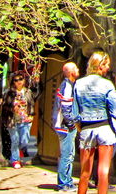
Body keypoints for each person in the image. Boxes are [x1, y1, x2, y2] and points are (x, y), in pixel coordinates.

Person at [73, 51, 116, 194]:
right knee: (103, 172)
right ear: (100, 65)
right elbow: (115, 111)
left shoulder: (78, 84)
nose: (107, 69)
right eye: (106, 65)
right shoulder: (108, 85)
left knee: (84, 172)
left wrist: (80, 127)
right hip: (104, 127)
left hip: (86, 128)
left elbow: (75, 112)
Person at [52, 62, 79, 191]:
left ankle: (67, 181)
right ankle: (64, 183)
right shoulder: (67, 86)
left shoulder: (68, 85)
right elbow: (66, 108)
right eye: (76, 68)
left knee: (68, 154)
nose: (78, 70)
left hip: (64, 126)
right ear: (70, 72)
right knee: (67, 155)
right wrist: (73, 124)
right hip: (65, 127)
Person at [0, 71, 34, 169]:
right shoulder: (9, 92)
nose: (18, 82)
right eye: (16, 80)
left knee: (24, 140)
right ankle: (15, 160)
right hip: (12, 120)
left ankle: (19, 155)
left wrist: (31, 115)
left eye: (20, 79)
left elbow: (31, 104)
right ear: (13, 82)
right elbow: (4, 106)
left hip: (25, 120)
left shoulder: (28, 92)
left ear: (24, 80)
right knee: (14, 140)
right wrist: (11, 108)